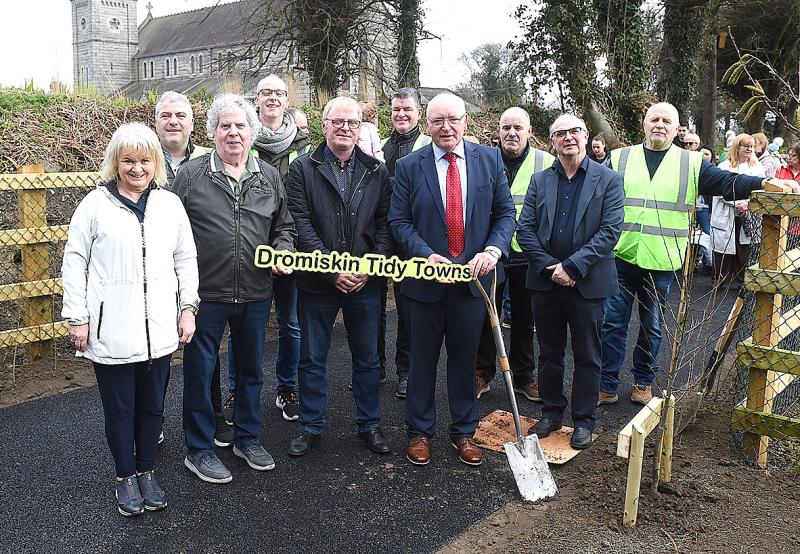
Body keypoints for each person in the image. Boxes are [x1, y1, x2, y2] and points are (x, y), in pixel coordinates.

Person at [598, 102, 800, 407]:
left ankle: (643, 381)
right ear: (644, 124)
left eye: (667, 121)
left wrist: (763, 182)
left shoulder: (690, 163)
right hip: (622, 256)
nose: (659, 124)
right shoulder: (620, 158)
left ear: (676, 129)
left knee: (652, 327)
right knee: (613, 324)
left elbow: (727, 182)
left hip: (661, 260)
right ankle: (607, 384)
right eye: (654, 119)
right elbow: (591, 187)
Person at [61, 122, 199, 516]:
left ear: (156, 162)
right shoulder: (94, 205)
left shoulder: (169, 205)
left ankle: (147, 472)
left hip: (159, 330)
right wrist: (77, 316)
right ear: (115, 163)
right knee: (121, 409)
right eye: (128, 161)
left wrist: (187, 308)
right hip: (113, 330)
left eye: (144, 160)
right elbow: (74, 261)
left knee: (152, 407)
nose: (137, 168)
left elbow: (185, 258)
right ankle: (125, 475)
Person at [173, 94, 296, 483]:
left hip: (256, 293)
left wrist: (283, 249)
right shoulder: (191, 176)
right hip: (205, 294)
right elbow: (171, 233)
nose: (233, 133)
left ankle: (247, 438)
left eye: (240, 125)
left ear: (252, 132)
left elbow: (284, 226)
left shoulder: (269, 176)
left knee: (250, 370)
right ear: (213, 132)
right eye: (224, 125)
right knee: (199, 370)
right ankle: (199, 448)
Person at [388, 92, 516, 466]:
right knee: (421, 361)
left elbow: (505, 214)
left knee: (465, 361)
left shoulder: (490, 160)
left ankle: (464, 432)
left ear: (465, 122)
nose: (446, 127)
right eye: (438, 121)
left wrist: (492, 250)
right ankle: (419, 432)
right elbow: (399, 221)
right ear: (427, 125)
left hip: (473, 286)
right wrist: (425, 255)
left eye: (453, 120)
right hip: (424, 283)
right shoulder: (409, 166)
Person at [285, 96, 393, 457]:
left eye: (352, 122)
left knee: (367, 359)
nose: (345, 127)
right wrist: (332, 270)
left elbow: (385, 224)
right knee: (312, 358)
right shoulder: (302, 168)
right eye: (338, 121)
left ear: (360, 128)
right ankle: (310, 426)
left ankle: (369, 424)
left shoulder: (376, 171)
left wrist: (371, 266)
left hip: (366, 282)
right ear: (324, 125)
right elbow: (300, 223)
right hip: (317, 282)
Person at [516, 114, 624, 448]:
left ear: (586, 136)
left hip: (587, 284)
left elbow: (610, 232)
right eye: (560, 133)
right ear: (552, 141)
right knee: (549, 353)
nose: (568, 138)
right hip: (546, 282)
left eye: (574, 131)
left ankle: (583, 421)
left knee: (587, 354)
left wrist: (572, 268)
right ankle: (550, 413)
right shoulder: (539, 181)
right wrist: (552, 267)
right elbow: (525, 229)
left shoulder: (609, 180)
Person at [222, 74, 309, 425]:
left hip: (289, 248)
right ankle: (237, 391)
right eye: (265, 92)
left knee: (291, 324)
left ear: (287, 100)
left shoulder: (303, 143)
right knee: (241, 326)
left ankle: (287, 388)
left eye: (279, 93)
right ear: (255, 99)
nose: (272, 98)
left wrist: (291, 244)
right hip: (247, 250)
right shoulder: (242, 137)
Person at [475, 107, 555, 402]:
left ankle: (524, 377)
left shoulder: (546, 162)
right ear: (498, 131)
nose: (511, 132)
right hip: (489, 251)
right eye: (506, 127)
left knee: (524, 318)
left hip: (527, 253)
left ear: (529, 132)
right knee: (486, 315)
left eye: (518, 127)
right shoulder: (483, 159)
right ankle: (482, 372)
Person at [154, 91, 212, 445]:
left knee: (204, 351)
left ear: (192, 123)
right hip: (156, 270)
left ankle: (209, 418)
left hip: (202, 269)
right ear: (156, 122)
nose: (173, 121)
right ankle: (152, 420)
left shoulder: (209, 158)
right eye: (166, 115)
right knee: (156, 353)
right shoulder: (144, 158)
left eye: (180, 115)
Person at [380, 87, 432, 399]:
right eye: (396, 109)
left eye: (407, 109)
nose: (401, 114)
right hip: (382, 239)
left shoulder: (427, 145)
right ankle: (376, 368)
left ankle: (407, 370)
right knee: (377, 308)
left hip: (414, 240)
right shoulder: (380, 147)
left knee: (409, 310)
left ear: (419, 113)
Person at [712, 134, 765, 286]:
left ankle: (741, 281)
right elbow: (719, 190)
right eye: (746, 146)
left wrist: (747, 205)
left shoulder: (757, 167)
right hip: (727, 213)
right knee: (723, 251)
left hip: (747, 213)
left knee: (744, 250)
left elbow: (760, 190)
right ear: (737, 147)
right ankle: (719, 280)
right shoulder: (724, 166)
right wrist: (737, 204)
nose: (749, 149)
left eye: (751, 146)